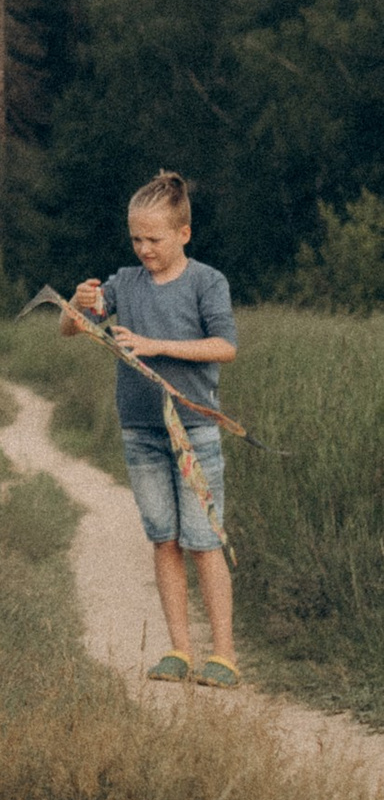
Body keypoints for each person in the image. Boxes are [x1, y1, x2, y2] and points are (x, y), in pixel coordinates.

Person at [67, 170, 240, 688]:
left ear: (184, 234)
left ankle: (224, 655)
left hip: (195, 431)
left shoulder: (207, 282)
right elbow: (74, 327)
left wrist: (156, 345)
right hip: (141, 432)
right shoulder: (124, 282)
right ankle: (180, 651)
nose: (144, 249)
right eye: (136, 238)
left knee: (203, 540)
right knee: (164, 540)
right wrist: (76, 307)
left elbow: (224, 347)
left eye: (154, 239)